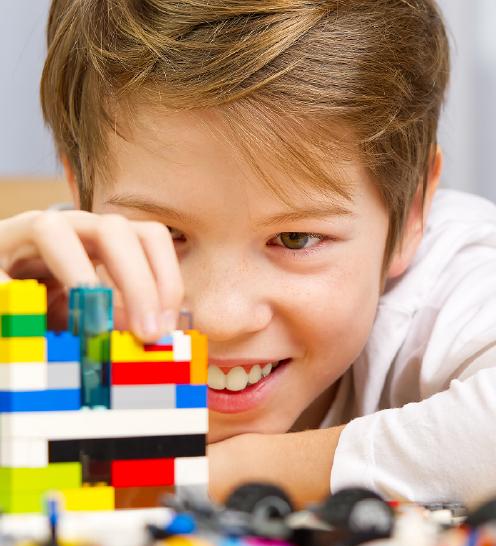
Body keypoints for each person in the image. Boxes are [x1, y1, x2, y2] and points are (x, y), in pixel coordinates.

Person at [1, 0, 495, 508]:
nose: (221, 318)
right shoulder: (47, 287)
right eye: (166, 232)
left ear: (412, 213)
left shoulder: (455, 278)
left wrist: (224, 474)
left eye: (295, 240)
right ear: (80, 191)